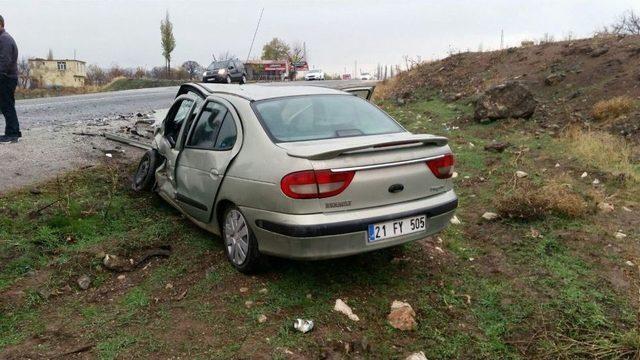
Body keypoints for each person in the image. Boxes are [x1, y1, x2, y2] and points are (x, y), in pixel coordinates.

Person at [0, 14, 21, 143]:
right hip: (6, 77)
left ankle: (12, 133)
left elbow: (4, 61)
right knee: (6, 106)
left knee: (7, 106)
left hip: (6, 78)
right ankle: (12, 132)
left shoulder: (4, 39)